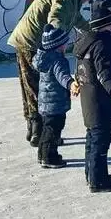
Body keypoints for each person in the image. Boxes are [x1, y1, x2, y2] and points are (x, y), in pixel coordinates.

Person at [8, 0, 99, 147]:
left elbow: (76, 19)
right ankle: (39, 133)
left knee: (33, 86)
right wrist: (57, 45)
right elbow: (56, 17)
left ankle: (35, 131)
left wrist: (92, 33)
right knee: (37, 86)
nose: (87, 1)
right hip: (31, 41)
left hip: (37, 41)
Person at [73, 0, 111, 192]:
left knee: (92, 137)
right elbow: (103, 71)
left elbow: (80, 69)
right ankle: (98, 180)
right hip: (99, 98)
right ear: (106, 23)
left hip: (89, 96)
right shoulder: (100, 44)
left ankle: (93, 174)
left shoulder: (86, 39)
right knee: (100, 139)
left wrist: (76, 82)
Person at [32, 25, 76, 169]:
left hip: (45, 103)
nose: (66, 46)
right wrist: (71, 84)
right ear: (58, 45)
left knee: (46, 128)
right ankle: (49, 157)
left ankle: (41, 154)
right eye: (64, 43)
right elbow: (62, 76)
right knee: (53, 130)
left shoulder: (44, 59)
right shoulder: (58, 60)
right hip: (55, 103)